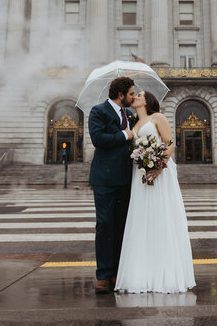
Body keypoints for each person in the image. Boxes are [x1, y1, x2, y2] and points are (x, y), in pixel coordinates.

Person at [115, 90, 196, 293]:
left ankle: (164, 272)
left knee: (161, 218)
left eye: (139, 94)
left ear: (147, 100)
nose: (135, 96)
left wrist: (160, 165)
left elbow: (169, 143)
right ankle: (142, 273)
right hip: (140, 175)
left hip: (160, 173)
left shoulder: (157, 117)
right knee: (142, 220)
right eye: (134, 94)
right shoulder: (132, 124)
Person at [88, 76, 135, 294]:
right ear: (120, 94)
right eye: (131, 93)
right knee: (105, 224)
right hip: (105, 179)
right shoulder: (98, 111)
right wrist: (125, 134)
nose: (133, 97)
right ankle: (104, 275)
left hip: (126, 179)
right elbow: (98, 139)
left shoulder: (130, 115)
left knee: (121, 226)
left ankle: (118, 271)